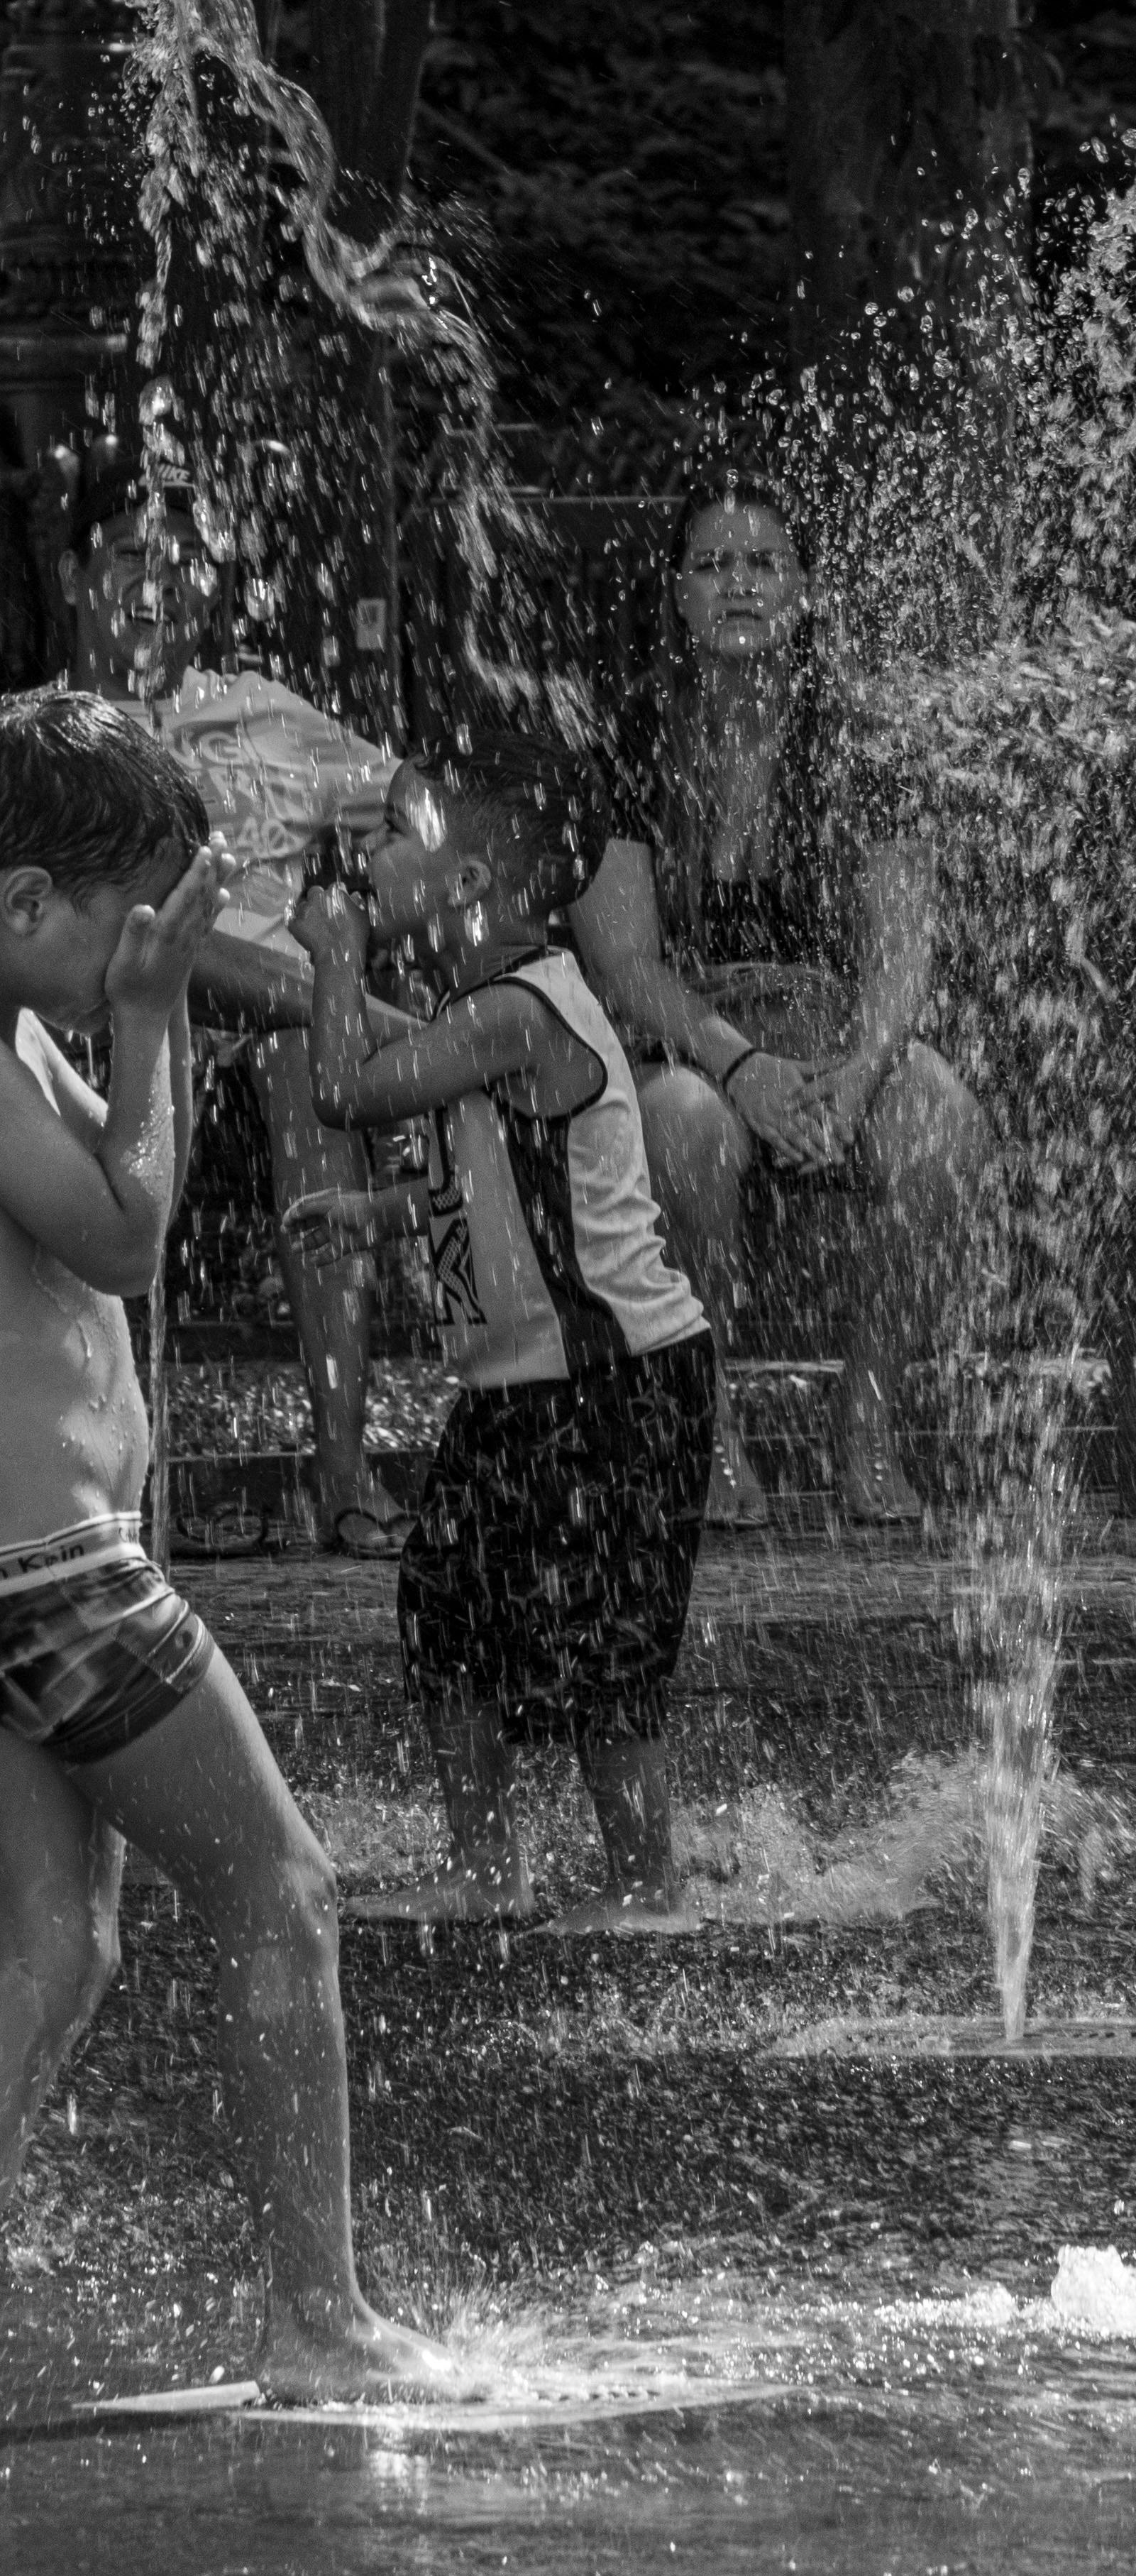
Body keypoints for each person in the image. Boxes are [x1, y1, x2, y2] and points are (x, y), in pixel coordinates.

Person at [0, 691, 457, 2416]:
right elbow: (124, 1234)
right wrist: (159, 1022)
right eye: (131, 919)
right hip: (54, 1585)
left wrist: (128, 1000)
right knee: (286, 1890)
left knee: (57, 1946)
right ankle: (317, 2314)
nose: (150, 950)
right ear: (25, 903)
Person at [0, 442, 404, 1556]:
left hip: (269, 1072)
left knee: (308, 1069)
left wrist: (371, 908)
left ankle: (343, 1471)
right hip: (82, 1057)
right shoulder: (9, 749)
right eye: (123, 557)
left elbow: (428, 814)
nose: (156, 583)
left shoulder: (266, 716)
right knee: (197, 979)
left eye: (183, 562)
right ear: (70, 579)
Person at [292, 738, 716, 1930]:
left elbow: (342, 1091)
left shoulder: (519, 1011)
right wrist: (380, 1214)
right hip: (521, 1386)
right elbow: (490, 1174)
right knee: (445, 1606)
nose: (369, 857)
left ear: (471, 880)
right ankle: (489, 1866)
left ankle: (645, 1883)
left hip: (620, 1379)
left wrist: (332, 955)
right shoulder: (478, 1007)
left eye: (396, 835)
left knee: (605, 1644)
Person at [568, 467, 984, 1524]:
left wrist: (856, 1077)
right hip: (686, 1043)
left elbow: (901, 958)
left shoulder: (858, 741)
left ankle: (869, 1415)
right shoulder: (629, 743)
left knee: (940, 1117)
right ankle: (705, 1424)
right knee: (684, 1124)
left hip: (831, 1036)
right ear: (676, 595)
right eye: (713, 565)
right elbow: (623, 963)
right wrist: (739, 1066)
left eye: (764, 563)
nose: (740, 585)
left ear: (802, 589)